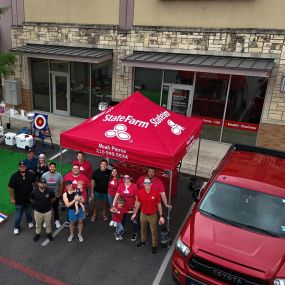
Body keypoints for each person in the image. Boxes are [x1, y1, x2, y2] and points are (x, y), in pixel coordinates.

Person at [131, 177, 165, 255]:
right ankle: (143, 241)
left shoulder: (156, 192)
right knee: (143, 229)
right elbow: (138, 203)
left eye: (148, 183)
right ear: (143, 184)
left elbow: (159, 205)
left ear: (151, 184)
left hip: (153, 215)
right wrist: (135, 213)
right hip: (143, 214)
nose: (146, 184)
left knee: (154, 231)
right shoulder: (140, 192)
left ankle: (154, 246)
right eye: (145, 183)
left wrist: (161, 216)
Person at [8, 161, 36, 235]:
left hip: (29, 199)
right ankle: (16, 227)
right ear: (18, 167)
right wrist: (12, 198)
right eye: (21, 166)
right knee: (18, 215)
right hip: (19, 201)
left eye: (23, 166)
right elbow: (10, 188)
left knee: (28, 212)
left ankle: (29, 221)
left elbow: (34, 183)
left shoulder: (30, 174)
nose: (22, 167)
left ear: (26, 167)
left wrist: (34, 195)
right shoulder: (14, 176)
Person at [113, 174, 139, 241]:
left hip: (131, 207)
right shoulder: (121, 185)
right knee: (122, 220)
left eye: (128, 178)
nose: (126, 179)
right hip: (122, 207)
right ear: (123, 179)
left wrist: (135, 207)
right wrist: (113, 205)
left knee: (134, 220)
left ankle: (135, 233)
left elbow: (137, 198)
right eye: (125, 178)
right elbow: (116, 195)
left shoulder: (134, 186)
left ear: (130, 178)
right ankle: (122, 230)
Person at [30, 178, 55, 242]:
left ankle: (48, 233)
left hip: (47, 211)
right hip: (37, 212)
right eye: (40, 183)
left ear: (45, 184)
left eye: (43, 183)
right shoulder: (34, 192)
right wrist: (37, 205)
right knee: (38, 224)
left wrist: (48, 204)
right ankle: (37, 234)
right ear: (38, 183)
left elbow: (53, 199)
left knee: (48, 223)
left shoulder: (50, 191)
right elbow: (32, 200)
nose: (42, 184)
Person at [41, 162, 63, 229]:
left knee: (55, 208)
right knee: (47, 209)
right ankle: (46, 221)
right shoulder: (44, 175)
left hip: (55, 195)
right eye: (51, 167)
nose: (52, 168)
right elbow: (42, 184)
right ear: (49, 167)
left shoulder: (59, 175)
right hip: (47, 195)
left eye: (54, 167)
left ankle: (57, 220)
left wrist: (60, 193)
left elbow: (61, 185)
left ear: (55, 168)